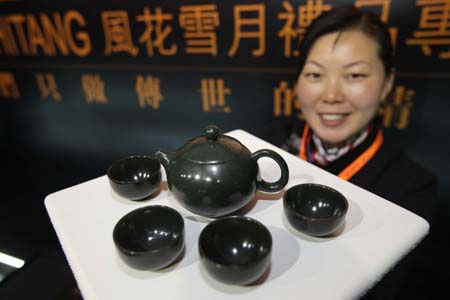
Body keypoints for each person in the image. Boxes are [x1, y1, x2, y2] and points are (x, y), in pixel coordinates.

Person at [259, 6, 438, 299]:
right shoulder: (264, 147)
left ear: (387, 83)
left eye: (354, 75)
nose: (331, 95)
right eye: (315, 74)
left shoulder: (412, 190)